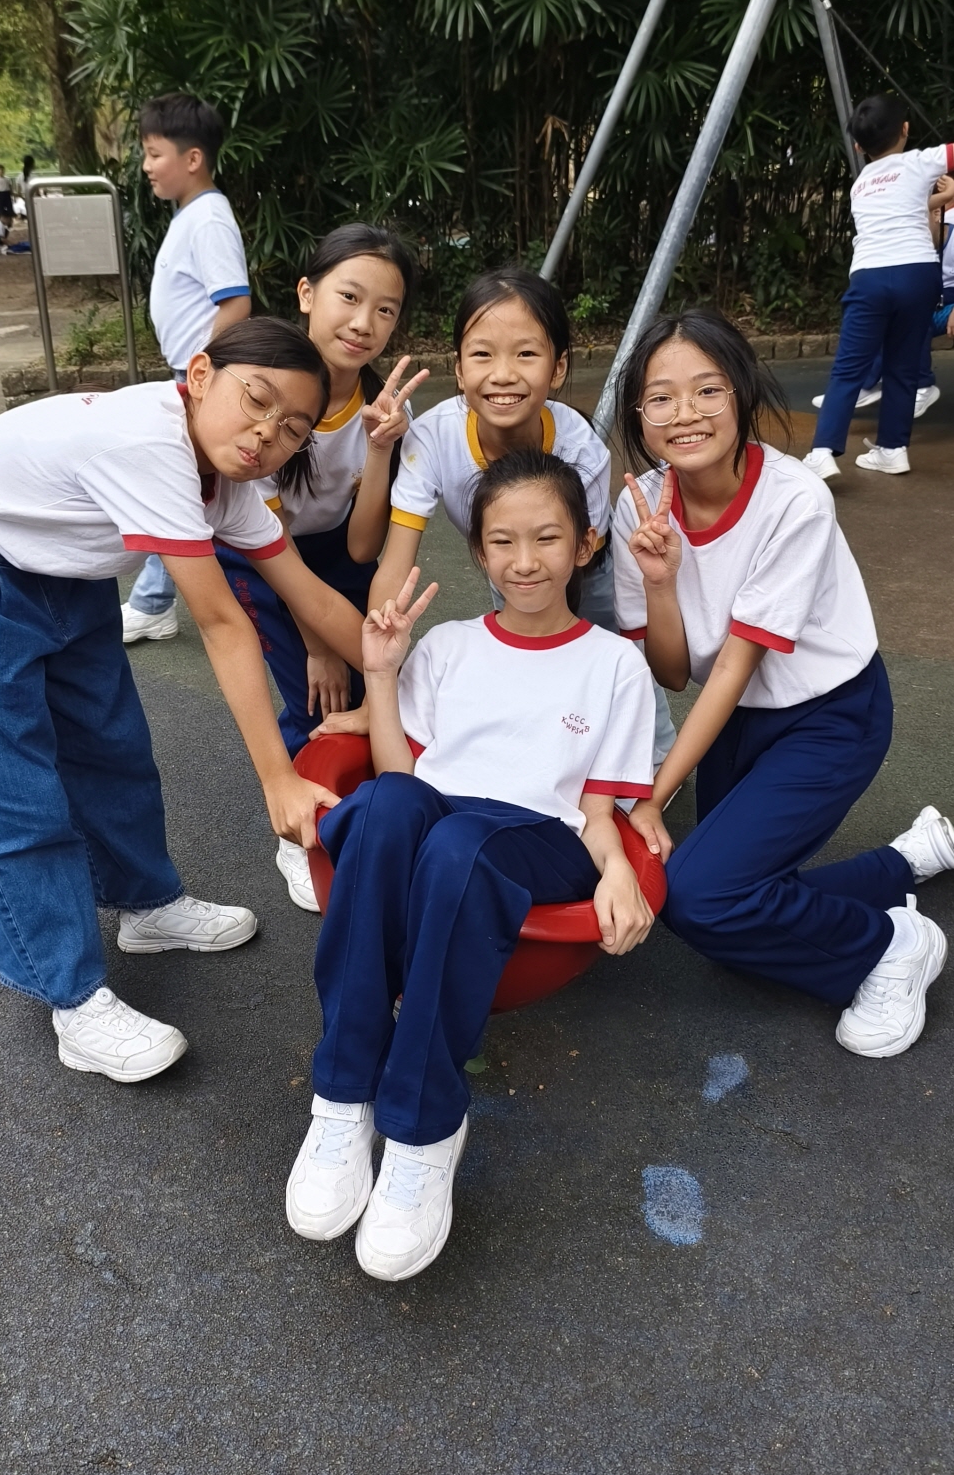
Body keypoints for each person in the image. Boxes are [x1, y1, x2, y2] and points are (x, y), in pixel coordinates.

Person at [0, 317, 368, 1085]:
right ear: (199, 375)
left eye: (292, 428)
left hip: (68, 564)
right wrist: (277, 778)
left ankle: (147, 906)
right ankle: (71, 996)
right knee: (12, 787)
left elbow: (310, 595)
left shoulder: (229, 479)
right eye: (256, 399)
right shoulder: (149, 442)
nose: (266, 433)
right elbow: (222, 623)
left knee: (109, 745)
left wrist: (408, 686)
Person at [286, 450, 657, 1281]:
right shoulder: (449, 645)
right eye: (502, 541)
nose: (525, 561)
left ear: (585, 544)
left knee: (457, 844)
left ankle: (423, 1126)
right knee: (385, 805)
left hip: (535, 838)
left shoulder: (613, 664)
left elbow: (597, 809)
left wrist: (618, 871)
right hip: (440, 818)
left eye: (547, 538)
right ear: (479, 551)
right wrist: (380, 674)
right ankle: (343, 1095)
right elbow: (400, 777)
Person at [613, 308, 954, 1059]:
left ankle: (890, 946)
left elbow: (735, 663)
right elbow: (673, 671)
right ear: (639, 413)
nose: (685, 413)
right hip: (735, 717)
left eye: (707, 390)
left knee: (702, 896)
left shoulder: (794, 496)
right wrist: (660, 581)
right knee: (729, 891)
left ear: (739, 393)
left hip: (831, 714)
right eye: (661, 397)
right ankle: (901, 863)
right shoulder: (639, 506)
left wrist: (653, 795)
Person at [317, 264, 675, 763]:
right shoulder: (433, 437)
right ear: (460, 370)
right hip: (504, 560)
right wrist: (377, 693)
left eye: (526, 354)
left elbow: (570, 571)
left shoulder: (580, 448)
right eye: (483, 354)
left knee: (606, 649)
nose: (503, 374)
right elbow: (394, 567)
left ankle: (655, 750)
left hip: (584, 566)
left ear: (558, 367)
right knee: (522, 649)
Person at [216, 223, 428, 912]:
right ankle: (296, 827)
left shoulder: (385, 405)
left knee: (375, 685)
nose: (364, 323)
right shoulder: (274, 391)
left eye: (386, 309)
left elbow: (363, 550)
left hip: (333, 551)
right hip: (255, 551)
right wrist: (318, 644)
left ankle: (366, 806)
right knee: (314, 694)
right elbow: (269, 537)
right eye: (349, 297)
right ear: (307, 293)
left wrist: (378, 448)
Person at [120, 93, 252, 645]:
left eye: (154, 154)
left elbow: (236, 302)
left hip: (199, 378)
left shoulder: (209, 220)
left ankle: (154, 602)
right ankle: (157, 601)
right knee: (185, 487)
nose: (146, 166)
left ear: (192, 158)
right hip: (191, 375)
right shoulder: (192, 215)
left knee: (181, 489)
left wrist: (206, 376)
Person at [803, 96, 954, 480]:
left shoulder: (861, 185)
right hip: (919, 274)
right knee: (904, 365)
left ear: (857, 146)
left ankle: (822, 452)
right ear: (905, 129)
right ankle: (893, 450)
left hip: (871, 277)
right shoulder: (920, 162)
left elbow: (904, 204)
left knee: (849, 368)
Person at [811, 174, 954, 422]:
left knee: (912, 319)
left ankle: (921, 386)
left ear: (935, 215)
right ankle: (865, 385)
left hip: (949, 302)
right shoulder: (910, 239)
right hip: (928, 297)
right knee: (884, 314)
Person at [0, 164, 15, 246]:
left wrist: (12, 195)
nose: (1, 171)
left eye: (2, 170)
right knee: (1, 211)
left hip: (7, 194)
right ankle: (1, 225)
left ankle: (9, 223)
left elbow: (10, 187)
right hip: (1, 194)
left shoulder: (7, 179)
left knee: (10, 211)